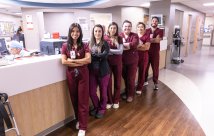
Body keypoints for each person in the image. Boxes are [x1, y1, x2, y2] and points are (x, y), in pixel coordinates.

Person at [61, 23, 91, 136]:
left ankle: (83, 127)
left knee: (83, 100)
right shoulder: (65, 46)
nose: (75, 33)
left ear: (80, 33)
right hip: (71, 75)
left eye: (77, 31)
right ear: (70, 33)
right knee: (74, 99)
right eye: (73, 31)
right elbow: (64, 62)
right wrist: (80, 61)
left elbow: (88, 60)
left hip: (83, 74)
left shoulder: (85, 45)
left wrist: (72, 61)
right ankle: (79, 120)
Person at [89, 24, 110, 119]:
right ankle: (97, 107)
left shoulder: (105, 43)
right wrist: (96, 55)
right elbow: (88, 55)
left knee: (103, 92)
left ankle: (102, 109)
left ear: (102, 32)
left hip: (103, 72)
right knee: (92, 91)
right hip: (93, 72)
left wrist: (92, 55)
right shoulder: (90, 43)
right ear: (93, 32)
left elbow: (104, 56)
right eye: (96, 31)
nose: (97, 33)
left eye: (99, 31)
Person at [104, 22, 123, 109]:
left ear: (116, 29)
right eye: (111, 28)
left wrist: (110, 51)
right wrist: (113, 51)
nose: (113, 30)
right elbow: (105, 51)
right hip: (107, 63)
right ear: (108, 29)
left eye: (114, 28)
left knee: (118, 81)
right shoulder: (104, 38)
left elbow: (120, 51)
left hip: (118, 62)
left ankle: (116, 100)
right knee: (108, 82)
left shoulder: (119, 38)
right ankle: (109, 101)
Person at [119, 20, 139, 102]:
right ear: (122, 27)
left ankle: (130, 95)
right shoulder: (119, 35)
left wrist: (123, 45)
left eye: (129, 26)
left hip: (132, 61)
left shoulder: (135, 35)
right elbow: (117, 45)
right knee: (125, 78)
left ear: (131, 27)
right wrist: (128, 45)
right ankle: (127, 92)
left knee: (131, 78)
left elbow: (134, 44)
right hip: (122, 61)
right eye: (125, 26)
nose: (127, 28)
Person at [145, 16, 163, 90]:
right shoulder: (147, 30)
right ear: (151, 22)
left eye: (156, 21)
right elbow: (145, 39)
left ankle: (155, 83)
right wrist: (153, 39)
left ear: (158, 23)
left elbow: (157, 40)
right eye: (153, 21)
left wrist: (149, 39)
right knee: (145, 67)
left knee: (155, 68)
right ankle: (145, 80)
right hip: (147, 51)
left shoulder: (160, 30)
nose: (154, 22)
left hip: (155, 53)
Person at [136, 22, 150, 95]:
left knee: (142, 72)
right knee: (132, 73)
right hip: (135, 57)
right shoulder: (135, 36)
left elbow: (147, 47)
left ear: (144, 29)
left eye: (142, 27)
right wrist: (141, 46)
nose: (140, 28)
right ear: (136, 28)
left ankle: (139, 87)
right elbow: (132, 46)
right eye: (138, 27)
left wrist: (136, 47)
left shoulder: (146, 36)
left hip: (144, 57)